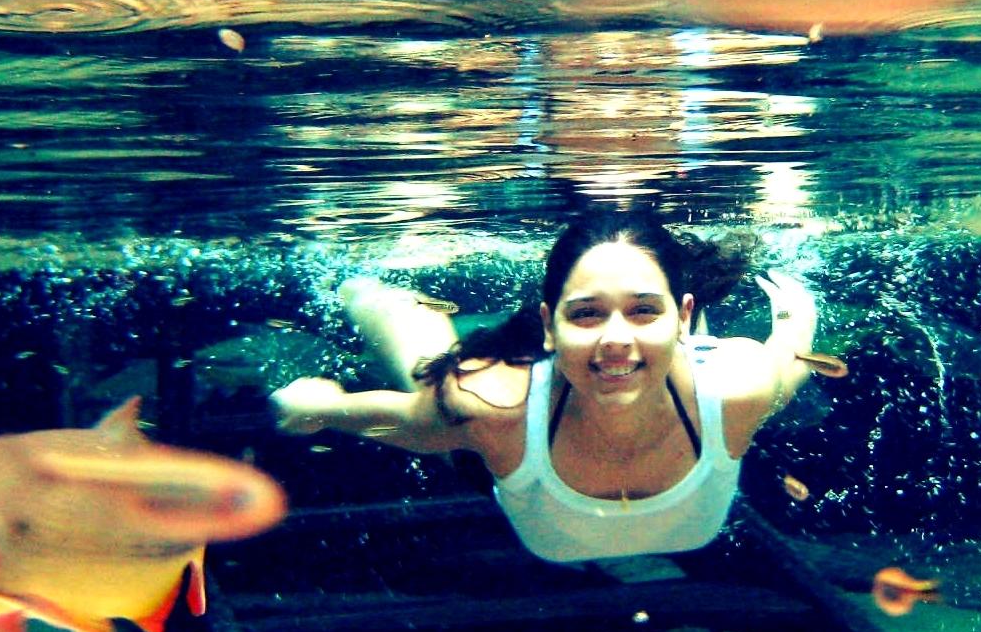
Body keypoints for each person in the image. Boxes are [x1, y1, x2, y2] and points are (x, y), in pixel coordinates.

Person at [270, 207, 823, 562]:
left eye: (643, 310)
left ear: (683, 316)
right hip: (520, 443)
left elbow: (789, 369)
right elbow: (411, 421)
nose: (613, 338)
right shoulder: (494, 405)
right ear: (547, 327)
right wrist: (325, 407)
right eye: (585, 314)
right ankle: (364, 288)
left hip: (670, 373)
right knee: (433, 365)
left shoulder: (736, 387)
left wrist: (799, 318)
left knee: (660, 360)